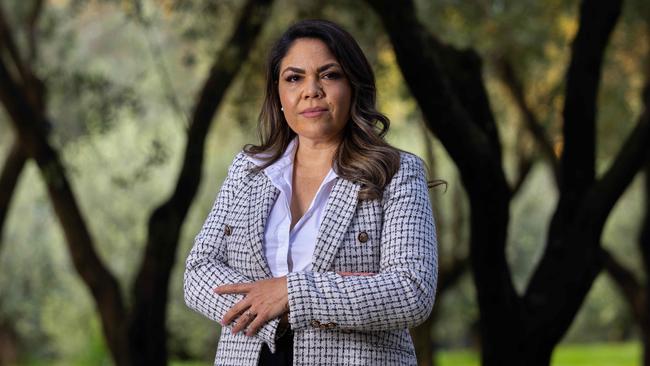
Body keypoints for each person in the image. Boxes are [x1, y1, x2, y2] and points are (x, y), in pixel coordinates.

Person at [184, 19, 439, 366]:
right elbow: (198, 271)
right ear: (279, 93)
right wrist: (267, 306)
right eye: (294, 77)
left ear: (352, 85)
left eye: (329, 75)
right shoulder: (248, 170)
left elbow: (411, 291)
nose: (311, 90)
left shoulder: (396, 173)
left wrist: (291, 294)